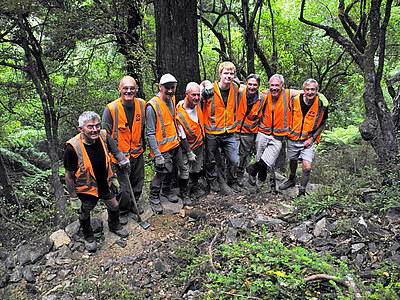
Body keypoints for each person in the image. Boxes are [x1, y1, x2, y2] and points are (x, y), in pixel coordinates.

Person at [64, 111, 130, 253]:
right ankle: (89, 236)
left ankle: (114, 225)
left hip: (104, 182)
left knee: (114, 205)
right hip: (86, 188)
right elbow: (69, 175)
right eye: (90, 127)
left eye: (97, 125)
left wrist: (123, 160)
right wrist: (73, 197)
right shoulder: (72, 147)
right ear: (81, 129)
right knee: (84, 213)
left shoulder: (104, 136)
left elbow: (116, 151)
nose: (95, 130)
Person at [247, 74, 302, 193]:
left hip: (278, 136)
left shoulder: (287, 94)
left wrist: (319, 95)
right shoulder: (264, 94)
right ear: (269, 85)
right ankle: (259, 182)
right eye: (272, 85)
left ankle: (252, 169)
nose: (274, 88)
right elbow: (243, 87)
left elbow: (305, 92)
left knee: (267, 160)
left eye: (277, 85)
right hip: (263, 131)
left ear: (282, 86)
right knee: (259, 157)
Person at [102, 76, 146, 224]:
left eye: (132, 88)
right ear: (119, 89)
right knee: (122, 189)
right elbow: (105, 135)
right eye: (125, 88)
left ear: (136, 89)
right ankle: (122, 211)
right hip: (118, 157)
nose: (129, 91)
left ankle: (134, 205)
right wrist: (119, 156)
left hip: (137, 153)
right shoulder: (111, 109)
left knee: (137, 182)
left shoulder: (142, 105)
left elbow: (142, 128)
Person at [279, 78, 328, 197]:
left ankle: (301, 191)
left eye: (312, 89)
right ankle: (292, 179)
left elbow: (323, 123)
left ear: (317, 91)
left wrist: (313, 137)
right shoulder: (294, 101)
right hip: (292, 137)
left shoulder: (322, 104)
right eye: (307, 89)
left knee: (307, 167)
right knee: (293, 160)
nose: (310, 92)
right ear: (303, 91)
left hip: (309, 139)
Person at [146, 73, 182, 214]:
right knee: (161, 173)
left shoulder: (172, 100)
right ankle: (154, 197)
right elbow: (150, 133)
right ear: (160, 87)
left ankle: (166, 191)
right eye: (167, 88)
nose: (170, 91)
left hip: (174, 145)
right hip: (161, 149)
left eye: (172, 88)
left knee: (172, 171)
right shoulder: (152, 106)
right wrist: (157, 154)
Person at [202, 61, 240, 193]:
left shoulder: (236, 88)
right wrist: (205, 83)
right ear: (220, 74)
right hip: (212, 133)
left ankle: (232, 181)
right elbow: (194, 94)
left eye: (231, 73)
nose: (229, 76)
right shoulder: (210, 89)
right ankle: (213, 183)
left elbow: (252, 88)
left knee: (234, 160)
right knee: (210, 160)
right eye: (226, 73)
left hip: (229, 132)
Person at [176, 82, 206, 204]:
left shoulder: (197, 104)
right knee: (184, 171)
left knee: (197, 168)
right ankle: (184, 194)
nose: (197, 98)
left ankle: (194, 187)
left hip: (199, 144)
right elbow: (182, 137)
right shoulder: (180, 114)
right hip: (186, 148)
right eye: (194, 95)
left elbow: (204, 84)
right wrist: (189, 152)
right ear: (186, 95)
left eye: (198, 95)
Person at [235, 74, 266, 186]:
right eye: (250, 84)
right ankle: (230, 176)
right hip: (235, 130)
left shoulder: (263, 98)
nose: (252, 87)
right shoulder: (239, 91)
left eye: (255, 85)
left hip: (249, 132)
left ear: (258, 86)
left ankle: (239, 176)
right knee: (232, 155)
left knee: (243, 155)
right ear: (246, 84)